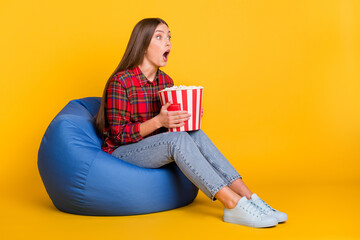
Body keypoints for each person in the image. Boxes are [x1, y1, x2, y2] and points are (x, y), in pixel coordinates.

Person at [94, 18, 287, 228]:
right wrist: (160, 120)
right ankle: (232, 204)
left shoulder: (166, 82)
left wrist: (187, 117)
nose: (167, 42)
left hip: (152, 149)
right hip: (121, 153)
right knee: (176, 139)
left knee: (195, 133)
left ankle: (250, 198)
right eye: (159, 37)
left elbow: (168, 131)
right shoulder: (121, 82)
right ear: (142, 45)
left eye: (169, 37)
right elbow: (118, 135)